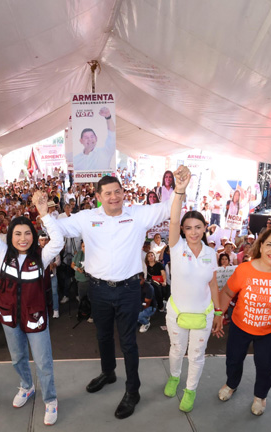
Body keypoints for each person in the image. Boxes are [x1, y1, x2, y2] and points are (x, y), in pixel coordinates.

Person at [54, 167, 191, 419]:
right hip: (98, 289)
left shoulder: (137, 214)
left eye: (117, 191)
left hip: (128, 289)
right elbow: (58, 228)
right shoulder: (86, 218)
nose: (114, 197)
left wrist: (179, 190)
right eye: (107, 193)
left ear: (123, 193)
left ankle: (132, 390)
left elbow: (168, 208)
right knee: (103, 336)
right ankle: (108, 373)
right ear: (98, 196)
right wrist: (44, 212)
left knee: (128, 341)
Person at [0, 188, 63, 425]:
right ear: (10, 236)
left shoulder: (42, 256)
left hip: (35, 318)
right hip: (9, 317)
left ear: (33, 236)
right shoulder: (3, 253)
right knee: (17, 358)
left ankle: (50, 400)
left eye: (27, 233)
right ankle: (26, 386)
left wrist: (44, 213)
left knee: (43, 362)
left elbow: (59, 241)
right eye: (17, 234)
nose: (22, 238)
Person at [217, 228, 271, 416]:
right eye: (269, 244)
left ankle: (260, 396)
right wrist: (219, 314)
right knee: (234, 359)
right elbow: (227, 292)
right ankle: (231, 384)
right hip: (240, 327)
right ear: (260, 246)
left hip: (270, 331)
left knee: (265, 366)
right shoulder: (244, 269)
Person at [164, 182, 222, 413]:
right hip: (177, 313)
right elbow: (173, 221)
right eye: (188, 228)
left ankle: (190, 390)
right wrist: (180, 191)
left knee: (196, 355)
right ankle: (174, 377)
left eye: (198, 227)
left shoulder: (211, 253)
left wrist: (218, 312)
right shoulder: (176, 247)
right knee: (177, 350)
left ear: (205, 227)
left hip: (203, 315)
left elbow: (213, 284)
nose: (194, 232)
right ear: (182, 230)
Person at [73, 107, 116, 171]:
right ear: (81, 141)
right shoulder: (75, 160)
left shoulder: (105, 152)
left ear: (96, 138)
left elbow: (112, 135)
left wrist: (108, 117)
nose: (90, 139)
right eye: (86, 137)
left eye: (92, 137)